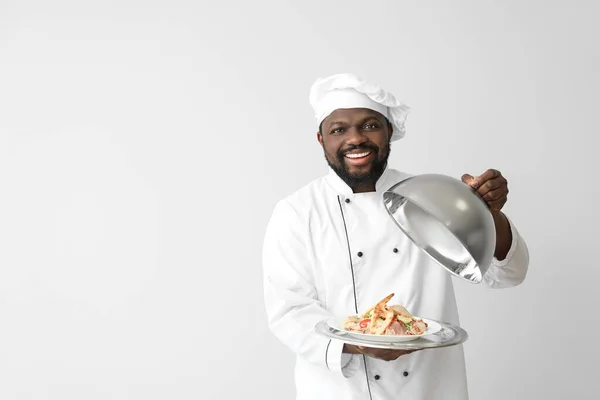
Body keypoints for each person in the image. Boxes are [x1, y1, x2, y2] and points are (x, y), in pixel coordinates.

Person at [262, 73, 529, 400]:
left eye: (370, 125)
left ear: (390, 132)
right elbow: (289, 311)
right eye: (338, 129)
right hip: (339, 391)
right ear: (321, 140)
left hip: (428, 387)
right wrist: (359, 342)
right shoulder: (297, 211)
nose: (355, 138)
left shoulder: (430, 195)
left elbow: (508, 274)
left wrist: (490, 214)